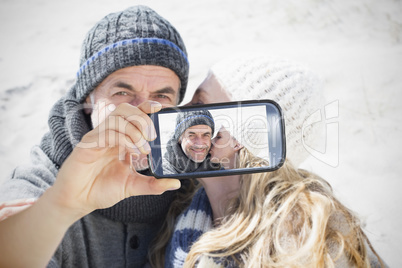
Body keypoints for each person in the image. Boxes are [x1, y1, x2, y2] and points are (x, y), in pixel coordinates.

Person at [0, 5, 192, 267]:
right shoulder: (40, 184)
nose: (143, 114)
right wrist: (63, 205)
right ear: (88, 101)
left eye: (162, 96)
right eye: (122, 94)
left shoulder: (193, 183)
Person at [148, 56, 386, 267]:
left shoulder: (306, 244)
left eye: (199, 103)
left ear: (247, 136)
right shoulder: (179, 213)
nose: (181, 110)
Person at [163, 110, 220, 175]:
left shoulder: (220, 164)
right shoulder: (163, 171)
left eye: (206, 135)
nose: (199, 144)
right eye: (191, 135)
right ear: (179, 139)